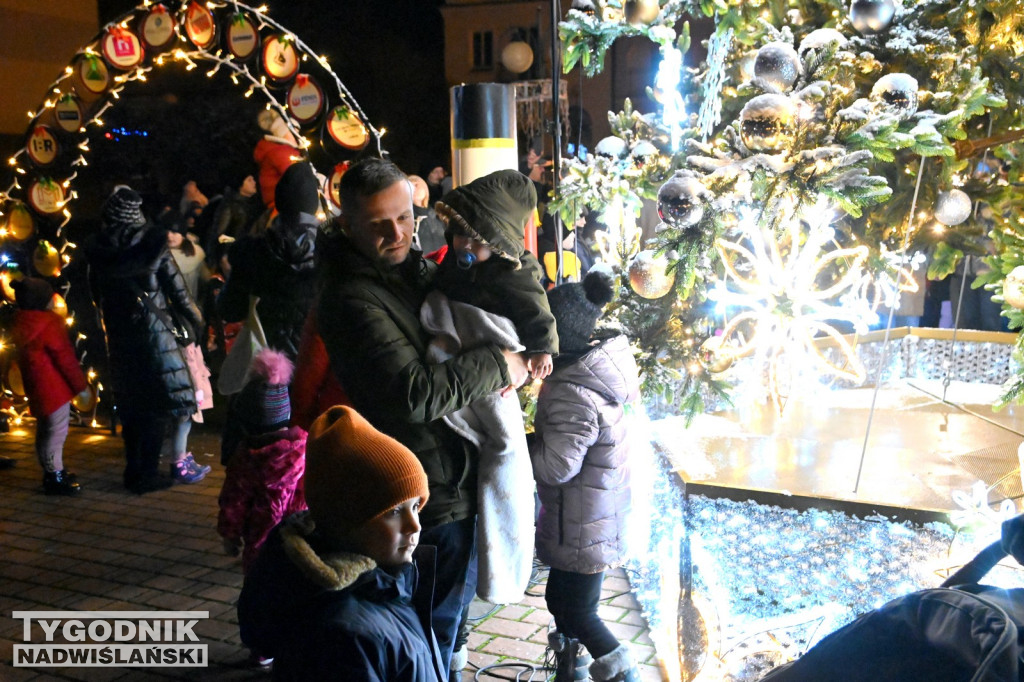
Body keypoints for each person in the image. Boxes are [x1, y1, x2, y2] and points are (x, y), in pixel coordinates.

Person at [316, 157, 529, 674]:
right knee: (427, 627)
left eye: (405, 218)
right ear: (347, 224)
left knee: (448, 620)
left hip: (451, 476)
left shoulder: (414, 269)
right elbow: (411, 394)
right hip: (425, 498)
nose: (398, 233)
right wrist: (500, 363)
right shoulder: (351, 298)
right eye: (379, 225)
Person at [237, 405, 444, 681]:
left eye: (415, 506)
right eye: (394, 512)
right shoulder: (341, 637)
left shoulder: (385, 585)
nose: (415, 525)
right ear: (346, 522)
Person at [530, 270, 643, 682]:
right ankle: (570, 668)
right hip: (591, 517)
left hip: (580, 523)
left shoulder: (570, 389)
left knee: (577, 609)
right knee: (561, 601)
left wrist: (522, 446)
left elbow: (557, 466)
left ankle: (624, 673)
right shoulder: (594, 372)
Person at [86, 186, 209, 493]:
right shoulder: (154, 246)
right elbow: (179, 293)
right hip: (157, 338)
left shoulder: (98, 252)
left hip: (120, 337)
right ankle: (148, 474)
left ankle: (134, 470)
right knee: (156, 406)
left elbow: (94, 295)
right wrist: (196, 325)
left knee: (130, 404)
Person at [433, 168, 559, 379]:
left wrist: (542, 349)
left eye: (477, 240)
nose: (466, 245)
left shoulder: (512, 272)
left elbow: (535, 308)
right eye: (460, 235)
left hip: (495, 345)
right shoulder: (453, 262)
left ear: (497, 244)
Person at [217, 161, 320, 360]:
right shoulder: (335, 251)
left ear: (280, 202)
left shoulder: (252, 251)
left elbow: (229, 309)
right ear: (313, 205)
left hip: (267, 360)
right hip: (316, 360)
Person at [218, 348, 307, 573]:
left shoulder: (247, 458)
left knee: (261, 588)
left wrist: (229, 534)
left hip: (260, 543)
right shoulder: (307, 449)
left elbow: (234, 500)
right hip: (303, 538)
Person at [10, 277, 87, 496]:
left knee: (45, 430)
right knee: (56, 432)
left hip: (36, 387)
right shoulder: (50, 324)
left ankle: (50, 470)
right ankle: (55, 475)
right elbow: (64, 358)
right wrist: (79, 385)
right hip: (55, 389)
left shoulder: (21, 322)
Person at [253, 109, 301, 213]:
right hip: (284, 206)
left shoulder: (275, 150)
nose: (297, 136)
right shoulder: (281, 152)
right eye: (294, 132)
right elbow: (297, 177)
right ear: (283, 133)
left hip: (277, 205)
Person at [407, 174, 447, 255]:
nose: (414, 188)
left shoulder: (439, 215)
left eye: (416, 185)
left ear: (425, 187)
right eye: (410, 186)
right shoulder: (407, 220)